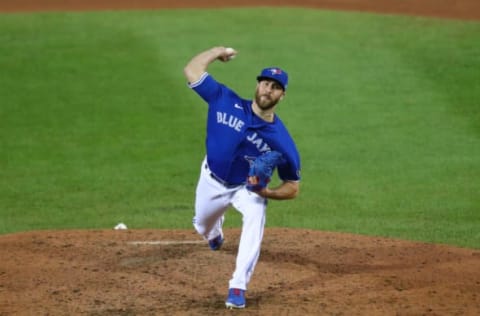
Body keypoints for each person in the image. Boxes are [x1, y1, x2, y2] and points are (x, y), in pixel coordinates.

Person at [183, 46, 301, 309]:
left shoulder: (281, 141)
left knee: (257, 214)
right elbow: (191, 70)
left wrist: (267, 193)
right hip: (211, 180)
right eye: (265, 84)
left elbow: (293, 185)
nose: (268, 90)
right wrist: (217, 51)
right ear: (257, 86)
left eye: (275, 87)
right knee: (202, 226)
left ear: (282, 96)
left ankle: (238, 285)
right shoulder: (224, 99)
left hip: (247, 188)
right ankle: (214, 233)